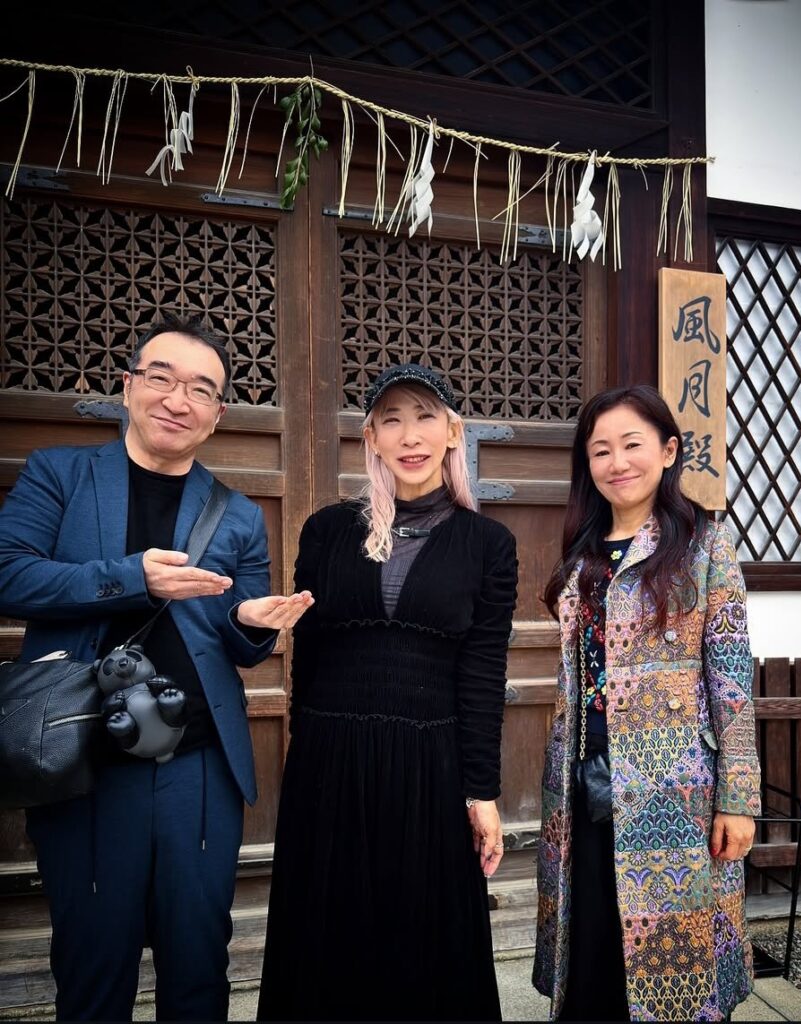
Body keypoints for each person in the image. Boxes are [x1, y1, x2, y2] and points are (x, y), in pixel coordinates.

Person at [0, 316, 313, 1022]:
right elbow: (9, 574)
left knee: (198, 961)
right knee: (93, 965)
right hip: (83, 759)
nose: (179, 399)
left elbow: (238, 646)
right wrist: (130, 578)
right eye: (162, 378)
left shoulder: (234, 514)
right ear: (128, 386)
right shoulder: (61, 473)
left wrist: (251, 624)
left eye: (201, 389)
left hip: (196, 766)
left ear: (217, 414)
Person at [257, 363, 518, 1022]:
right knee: (328, 938)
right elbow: (306, 655)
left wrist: (481, 792)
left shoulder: (489, 544)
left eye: (426, 416)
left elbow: (484, 672)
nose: (411, 435)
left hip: (431, 765)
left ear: (453, 431)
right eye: (392, 420)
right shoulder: (325, 530)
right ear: (370, 437)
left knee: (424, 943)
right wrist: (303, 756)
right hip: (331, 759)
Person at [532, 384, 761, 1022]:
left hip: (674, 799)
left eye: (632, 444)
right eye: (600, 450)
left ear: (667, 451)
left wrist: (738, 799)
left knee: (674, 973)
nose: (617, 462)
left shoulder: (706, 545)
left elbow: (733, 683)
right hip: (581, 789)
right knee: (593, 957)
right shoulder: (581, 553)